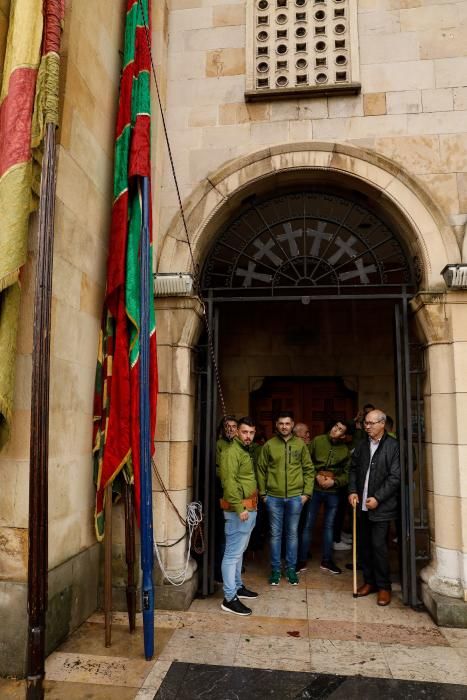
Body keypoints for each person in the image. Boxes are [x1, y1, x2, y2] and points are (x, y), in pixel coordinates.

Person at [348, 409, 400, 606]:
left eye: (371, 423)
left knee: (379, 547)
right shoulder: (362, 445)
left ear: (382, 424)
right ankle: (369, 582)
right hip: (360, 504)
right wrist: (352, 491)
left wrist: (378, 498)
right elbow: (353, 469)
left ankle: (384, 587)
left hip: (382, 507)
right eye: (365, 423)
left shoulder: (393, 446)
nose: (366, 426)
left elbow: (395, 477)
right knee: (364, 546)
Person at [257, 411, 315, 585]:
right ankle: (275, 570)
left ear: (292, 425)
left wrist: (306, 493)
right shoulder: (269, 445)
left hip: (296, 497)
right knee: (275, 535)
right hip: (273, 498)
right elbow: (261, 470)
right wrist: (263, 494)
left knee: (292, 534)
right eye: (281, 423)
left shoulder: (300, 445)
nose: (284, 426)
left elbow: (309, 469)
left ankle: (291, 569)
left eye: (287, 423)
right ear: (276, 425)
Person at [297, 421, 350, 574]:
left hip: (333, 493)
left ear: (344, 435)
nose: (336, 429)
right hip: (314, 489)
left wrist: (335, 481)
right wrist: (315, 476)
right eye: (335, 426)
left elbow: (347, 473)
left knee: (329, 527)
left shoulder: (345, 450)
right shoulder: (318, 441)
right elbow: (306, 461)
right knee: (308, 525)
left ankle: (327, 561)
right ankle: (301, 560)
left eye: (340, 429)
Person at [219, 417, 259, 616]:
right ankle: (229, 597)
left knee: (239, 552)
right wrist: (238, 506)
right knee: (232, 554)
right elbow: (229, 482)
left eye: (251, 432)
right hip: (239, 511)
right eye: (244, 432)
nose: (248, 436)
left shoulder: (244, 450)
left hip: (249, 507)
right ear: (236, 432)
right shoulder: (231, 452)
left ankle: (237, 586)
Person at [214, 416, 238, 582]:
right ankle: (221, 571)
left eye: (233, 426)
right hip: (224, 493)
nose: (230, 429)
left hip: (241, 495)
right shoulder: (219, 445)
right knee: (225, 534)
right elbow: (218, 469)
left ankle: (235, 568)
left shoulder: (241, 445)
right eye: (227, 426)